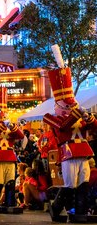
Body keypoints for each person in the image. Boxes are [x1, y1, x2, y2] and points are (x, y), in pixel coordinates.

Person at [44, 45, 97, 223]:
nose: (69, 107)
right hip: (67, 153)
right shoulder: (50, 117)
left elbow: (93, 128)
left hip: (83, 151)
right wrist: (76, 113)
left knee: (84, 182)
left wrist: (88, 117)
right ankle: (56, 207)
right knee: (69, 184)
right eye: (66, 105)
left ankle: (80, 212)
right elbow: (63, 128)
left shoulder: (77, 117)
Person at [0, 78, 25, 214]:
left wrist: (12, 126)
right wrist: (0, 124)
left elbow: (20, 136)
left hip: (9, 154)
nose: (0, 115)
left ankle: (10, 203)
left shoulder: (9, 125)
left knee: (10, 181)